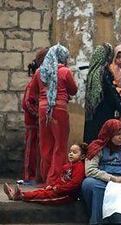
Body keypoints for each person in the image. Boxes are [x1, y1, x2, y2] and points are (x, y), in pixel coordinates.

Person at [30, 44, 78, 185]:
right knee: (60, 145)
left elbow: (33, 92)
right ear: (62, 57)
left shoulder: (39, 72)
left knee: (45, 144)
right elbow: (73, 90)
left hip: (43, 109)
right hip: (60, 110)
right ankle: (54, 179)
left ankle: (45, 178)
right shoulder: (65, 71)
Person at [4, 143, 87, 204]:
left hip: (67, 195)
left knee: (44, 196)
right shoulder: (67, 166)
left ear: (82, 157)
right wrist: (52, 185)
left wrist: (58, 189)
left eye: (74, 152)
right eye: (70, 152)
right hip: (58, 190)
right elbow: (60, 179)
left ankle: (20, 196)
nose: (71, 154)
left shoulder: (79, 167)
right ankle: (17, 194)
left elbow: (74, 183)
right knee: (42, 191)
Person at [84, 43, 121, 144]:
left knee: (92, 142)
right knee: (102, 142)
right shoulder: (103, 72)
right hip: (103, 114)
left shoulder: (92, 71)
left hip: (92, 114)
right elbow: (111, 93)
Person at [22, 47, 48, 183]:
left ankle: (37, 176)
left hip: (40, 121)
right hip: (33, 122)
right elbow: (26, 102)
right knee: (31, 150)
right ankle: (28, 176)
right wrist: (37, 115)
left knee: (39, 150)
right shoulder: (34, 81)